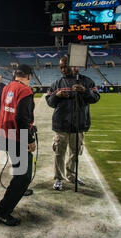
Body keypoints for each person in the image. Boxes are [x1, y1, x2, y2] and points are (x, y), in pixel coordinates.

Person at [46, 56, 100, 191]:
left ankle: (71, 175)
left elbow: (96, 98)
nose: (63, 69)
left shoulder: (87, 81)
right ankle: (58, 178)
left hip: (79, 123)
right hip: (61, 124)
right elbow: (50, 102)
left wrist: (85, 91)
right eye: (61, 67)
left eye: (65, 66)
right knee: (59, 152)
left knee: (75, 153)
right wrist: (56, 96)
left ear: (74, 66)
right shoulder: (57, 83)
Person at [0, 64, 36, 227]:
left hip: (4, 134)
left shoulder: (7, 87)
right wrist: (29, 139)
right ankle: (1, 213)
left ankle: (19, 190)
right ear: (29, 76)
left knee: (19, 169)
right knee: (24, 176)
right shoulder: (25, 90)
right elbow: (22, 118)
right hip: (17, 136)